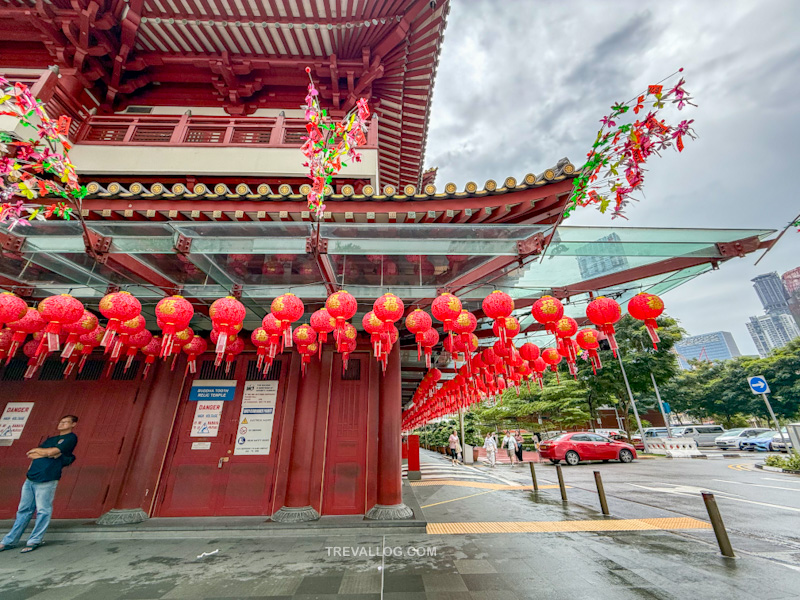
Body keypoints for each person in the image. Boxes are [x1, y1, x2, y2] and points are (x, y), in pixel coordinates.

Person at [0, 415, 78, 553]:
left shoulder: (70, 438)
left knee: (43, 510)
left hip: (47, 479)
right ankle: (9, 541)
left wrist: (46, 452)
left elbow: (53, 451)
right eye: (60, 421)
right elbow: (31, 453)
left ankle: (34, 540)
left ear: (73, 424)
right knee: (23, 510)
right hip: (31, 478)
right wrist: (45, 453)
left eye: (65, 422)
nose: (61, 424)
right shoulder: (51, 439)